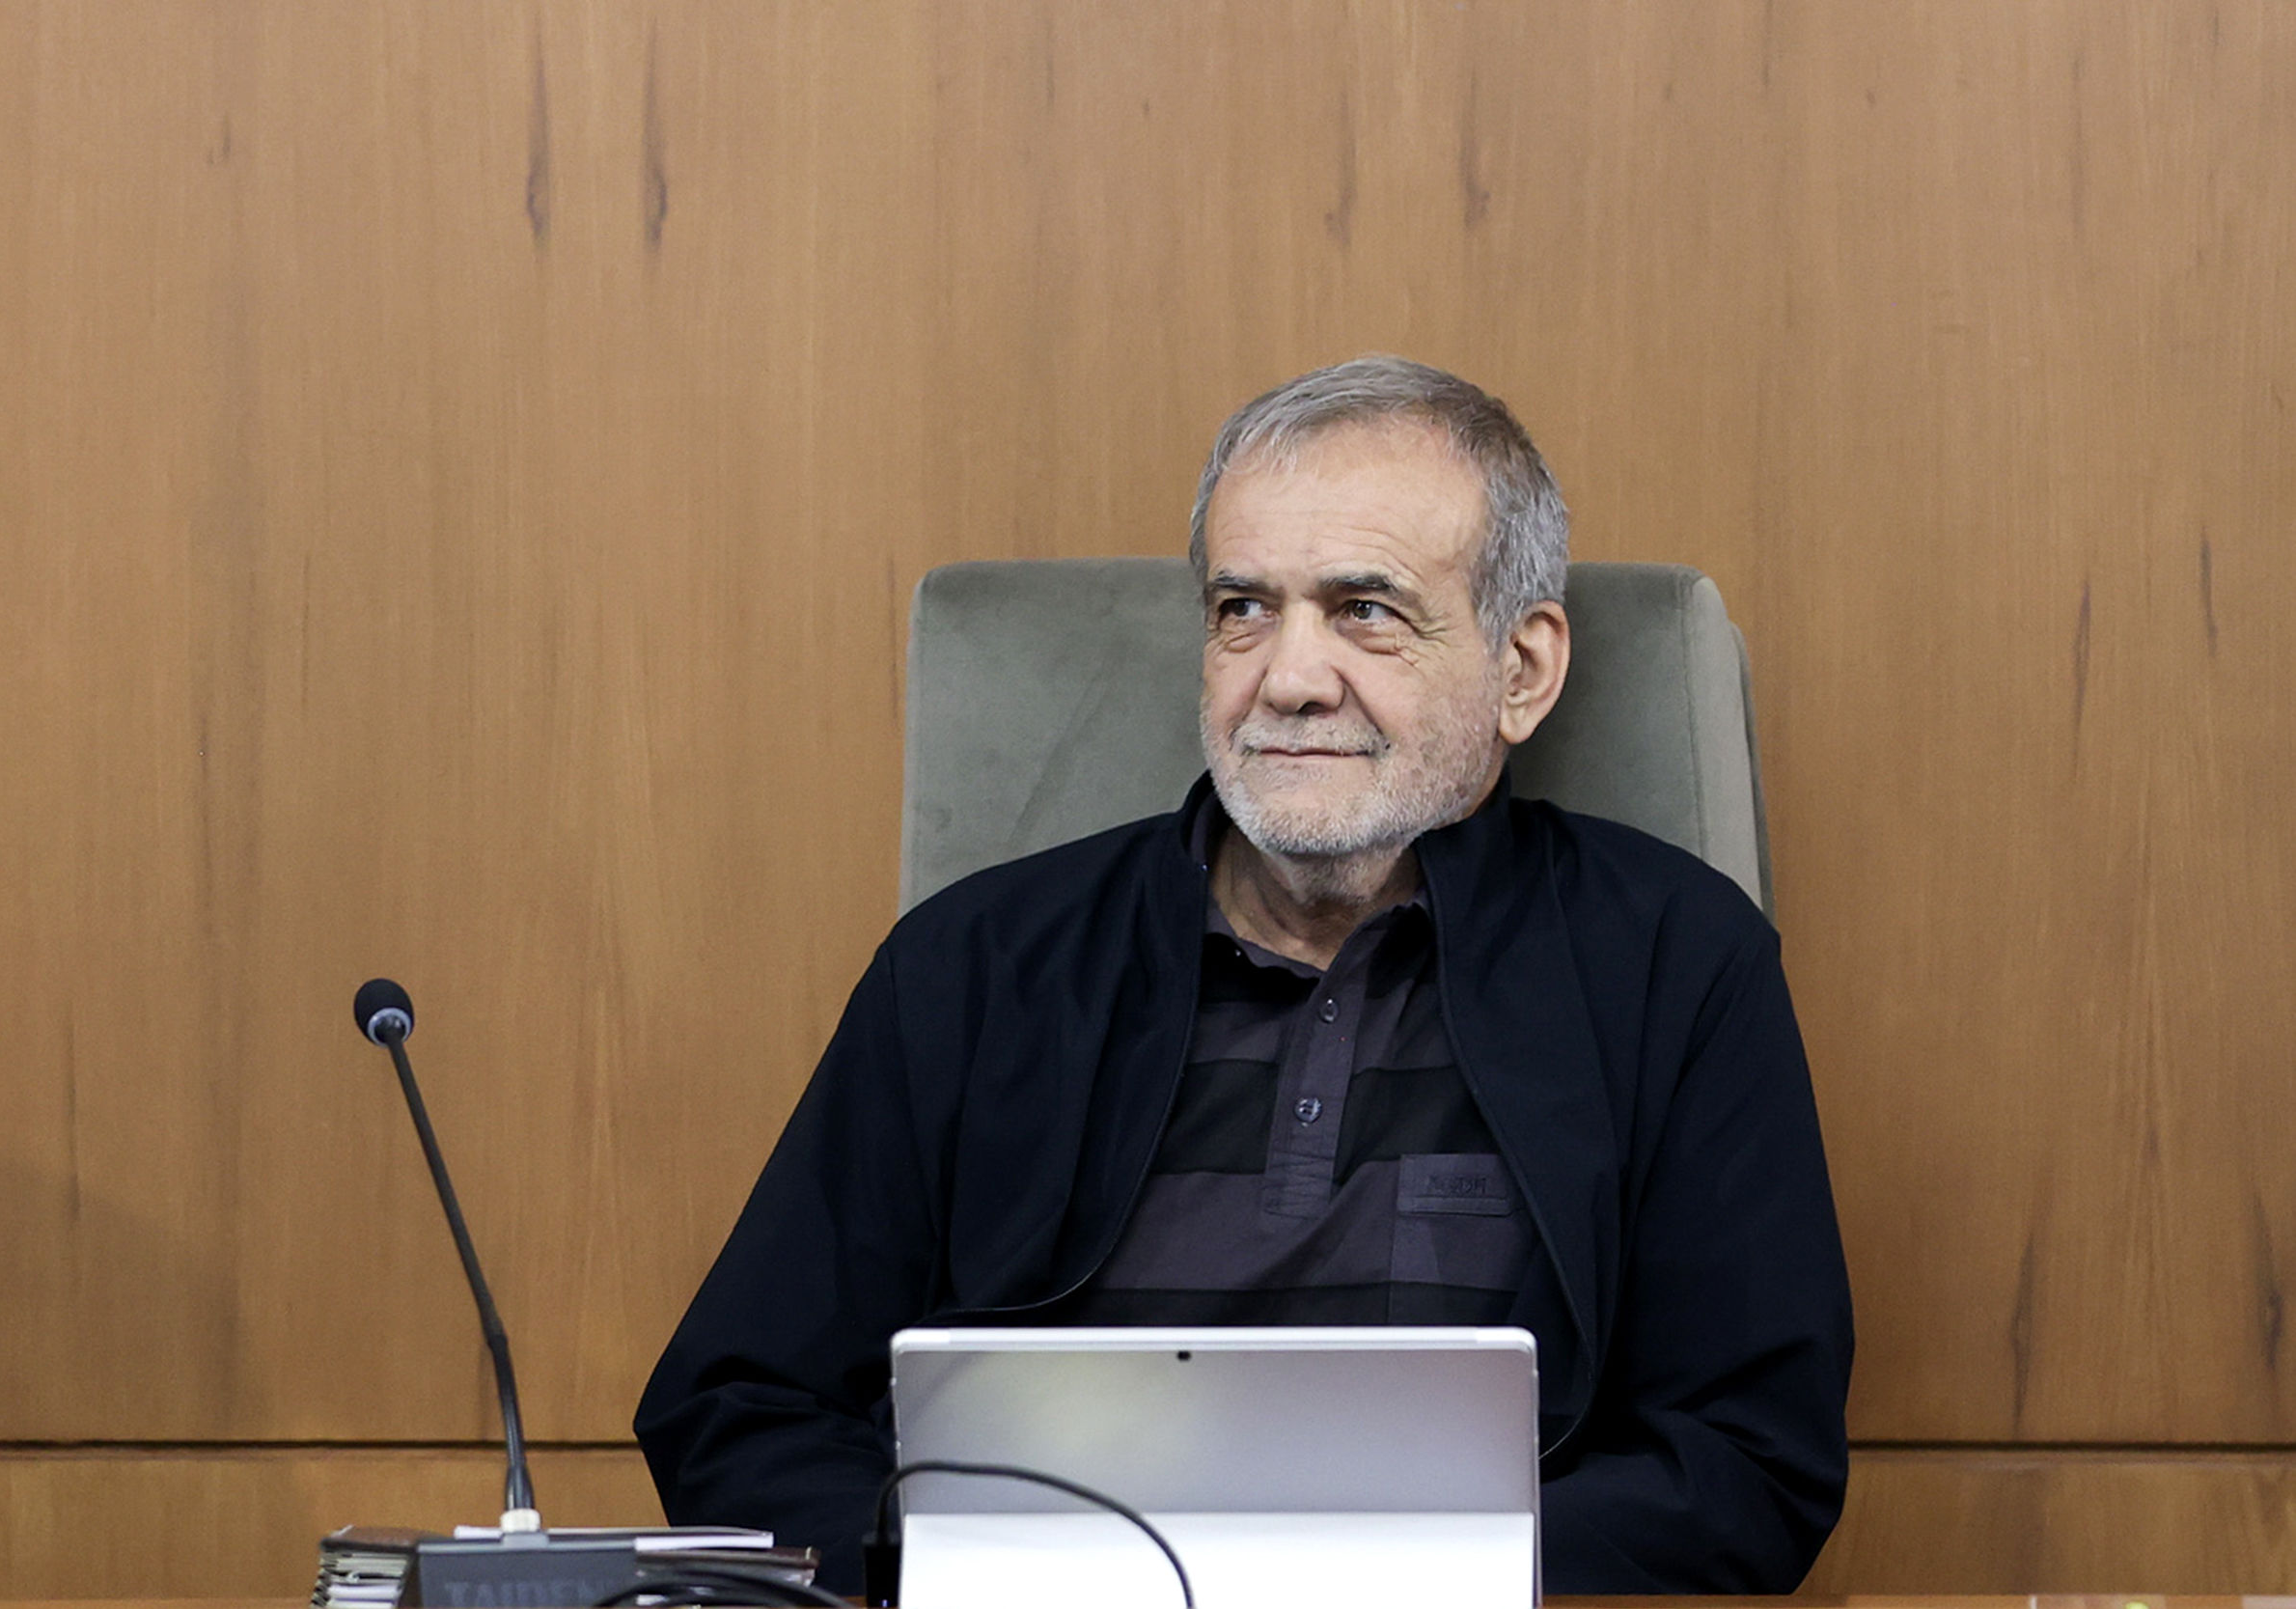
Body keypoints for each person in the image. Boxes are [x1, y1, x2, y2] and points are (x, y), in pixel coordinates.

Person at [635, 356, 1853, 1593]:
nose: (1288, 677)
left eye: (1365, 608)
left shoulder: (1674, 961)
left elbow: (1751, 1460)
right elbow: (738, 1406)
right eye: (1243, 608)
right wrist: (981, 1574)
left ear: (1522, 670)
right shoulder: (975, 964)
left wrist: (1385, 1580)